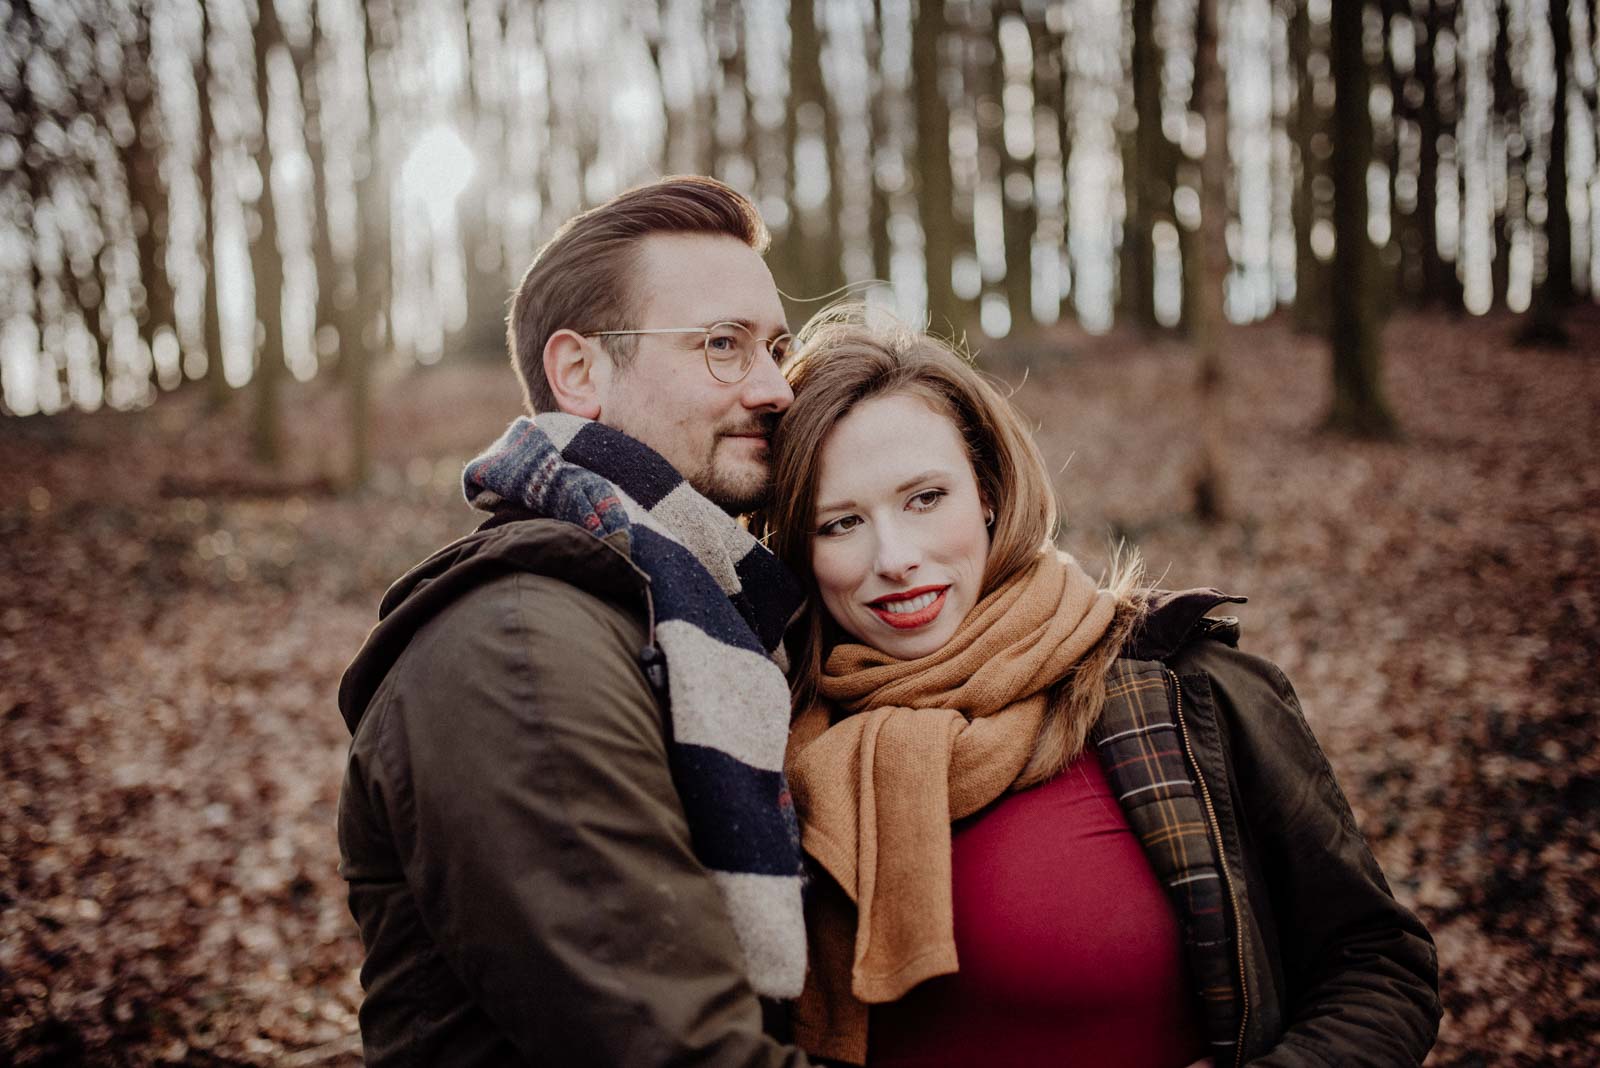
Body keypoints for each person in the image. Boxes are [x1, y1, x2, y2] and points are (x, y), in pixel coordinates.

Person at [759, 315, 1441, 1068]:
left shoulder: (1183, 688)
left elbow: (1379, 965)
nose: (895, 558)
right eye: (841, 522)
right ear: (799, 546)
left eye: (924, 499)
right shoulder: (767, 741)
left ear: (988, 492)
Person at [336, 176, 818, 1066]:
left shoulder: (699, 617)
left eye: (775, 348)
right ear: (580, 373)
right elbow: (680, 1050)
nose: (776, 388)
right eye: (723, 344)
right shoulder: (516, 651)